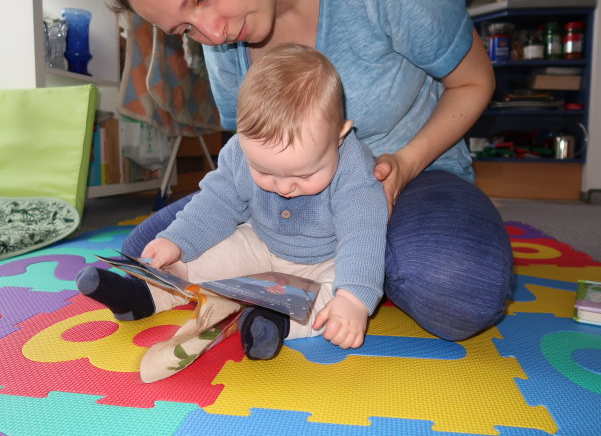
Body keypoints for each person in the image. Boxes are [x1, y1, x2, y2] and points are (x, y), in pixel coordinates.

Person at [100, 0, 514, 342]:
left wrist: (404, 165)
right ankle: (291, 285)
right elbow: (240, 164)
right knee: (145, 255)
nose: (212, 33)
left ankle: (353, 279)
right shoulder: (222, 40)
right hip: (282, 198)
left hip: (417, 169)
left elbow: (474, 82)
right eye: (185, 30)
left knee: (459, 291)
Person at [76, 43, 388, 359]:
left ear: (339, 135)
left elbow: (363, 236)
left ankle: (272, 322)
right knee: (200, 257)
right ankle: (141, 296)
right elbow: (217, 203)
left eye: (303, 175)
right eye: (264, 171)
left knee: (332, 306)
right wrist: (177, 241)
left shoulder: (353, 166)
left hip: (325, 261)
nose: (283, 188)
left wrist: (354, 298)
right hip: (262, 244)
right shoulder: (239, 151)